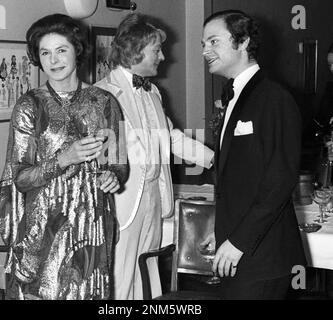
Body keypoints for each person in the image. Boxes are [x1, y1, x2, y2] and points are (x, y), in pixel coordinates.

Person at [0, 13, 128, 300]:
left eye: (61, 50)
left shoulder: (104, 102)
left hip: (91, 223)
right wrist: (64, 159)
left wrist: (112, 176)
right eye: (45, 53)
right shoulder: (29, 106)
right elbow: (21, 178)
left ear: (77, 50)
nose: (53, 60)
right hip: (44, 227)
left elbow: (118, 162)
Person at [95, 13, 214, 300]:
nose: (162, 57)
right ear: (135, 51)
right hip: (121, 202)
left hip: (153, 198)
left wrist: (215, 158)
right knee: (120, 276)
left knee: (148, 274)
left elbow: (170, 138)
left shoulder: (154, 93)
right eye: (156, 50)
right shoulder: (101, 94)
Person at [200, 10, 306, 299]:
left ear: (243, 41)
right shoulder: (234, 95)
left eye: (213, 41)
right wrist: (222, 230)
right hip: (240, 252)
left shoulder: (273, 98)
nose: (205, 51)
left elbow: (280, 180)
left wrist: (237, 242)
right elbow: (240, 178)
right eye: (203, 44)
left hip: (262, 257)